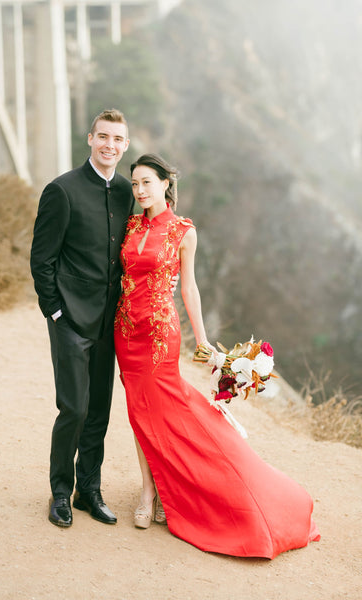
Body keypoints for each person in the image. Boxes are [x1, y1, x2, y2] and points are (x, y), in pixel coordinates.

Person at [114, 153, 320, 558]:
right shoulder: (130, 223)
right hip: (125, 333)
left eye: (146, 183)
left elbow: (189, 288)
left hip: (159, 336)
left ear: (164, 184)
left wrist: (204, 342)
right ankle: (150, 489)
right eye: (134, 184)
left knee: (168, 410)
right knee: (138, 411)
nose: (139, 191)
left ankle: (174, 489)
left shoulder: (182, 231)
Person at [30, 109, 133, 527]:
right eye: (103, 136)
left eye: (118, 139)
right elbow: (42, 260)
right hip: (70, 319)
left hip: (111, 322)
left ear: (125, 146)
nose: (110, 144)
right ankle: (60, 493)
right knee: (73, 408)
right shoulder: (62, 190)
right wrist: (56, 312)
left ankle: (89, 490)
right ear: (90, 138)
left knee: (100, 411)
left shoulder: (128, 191)